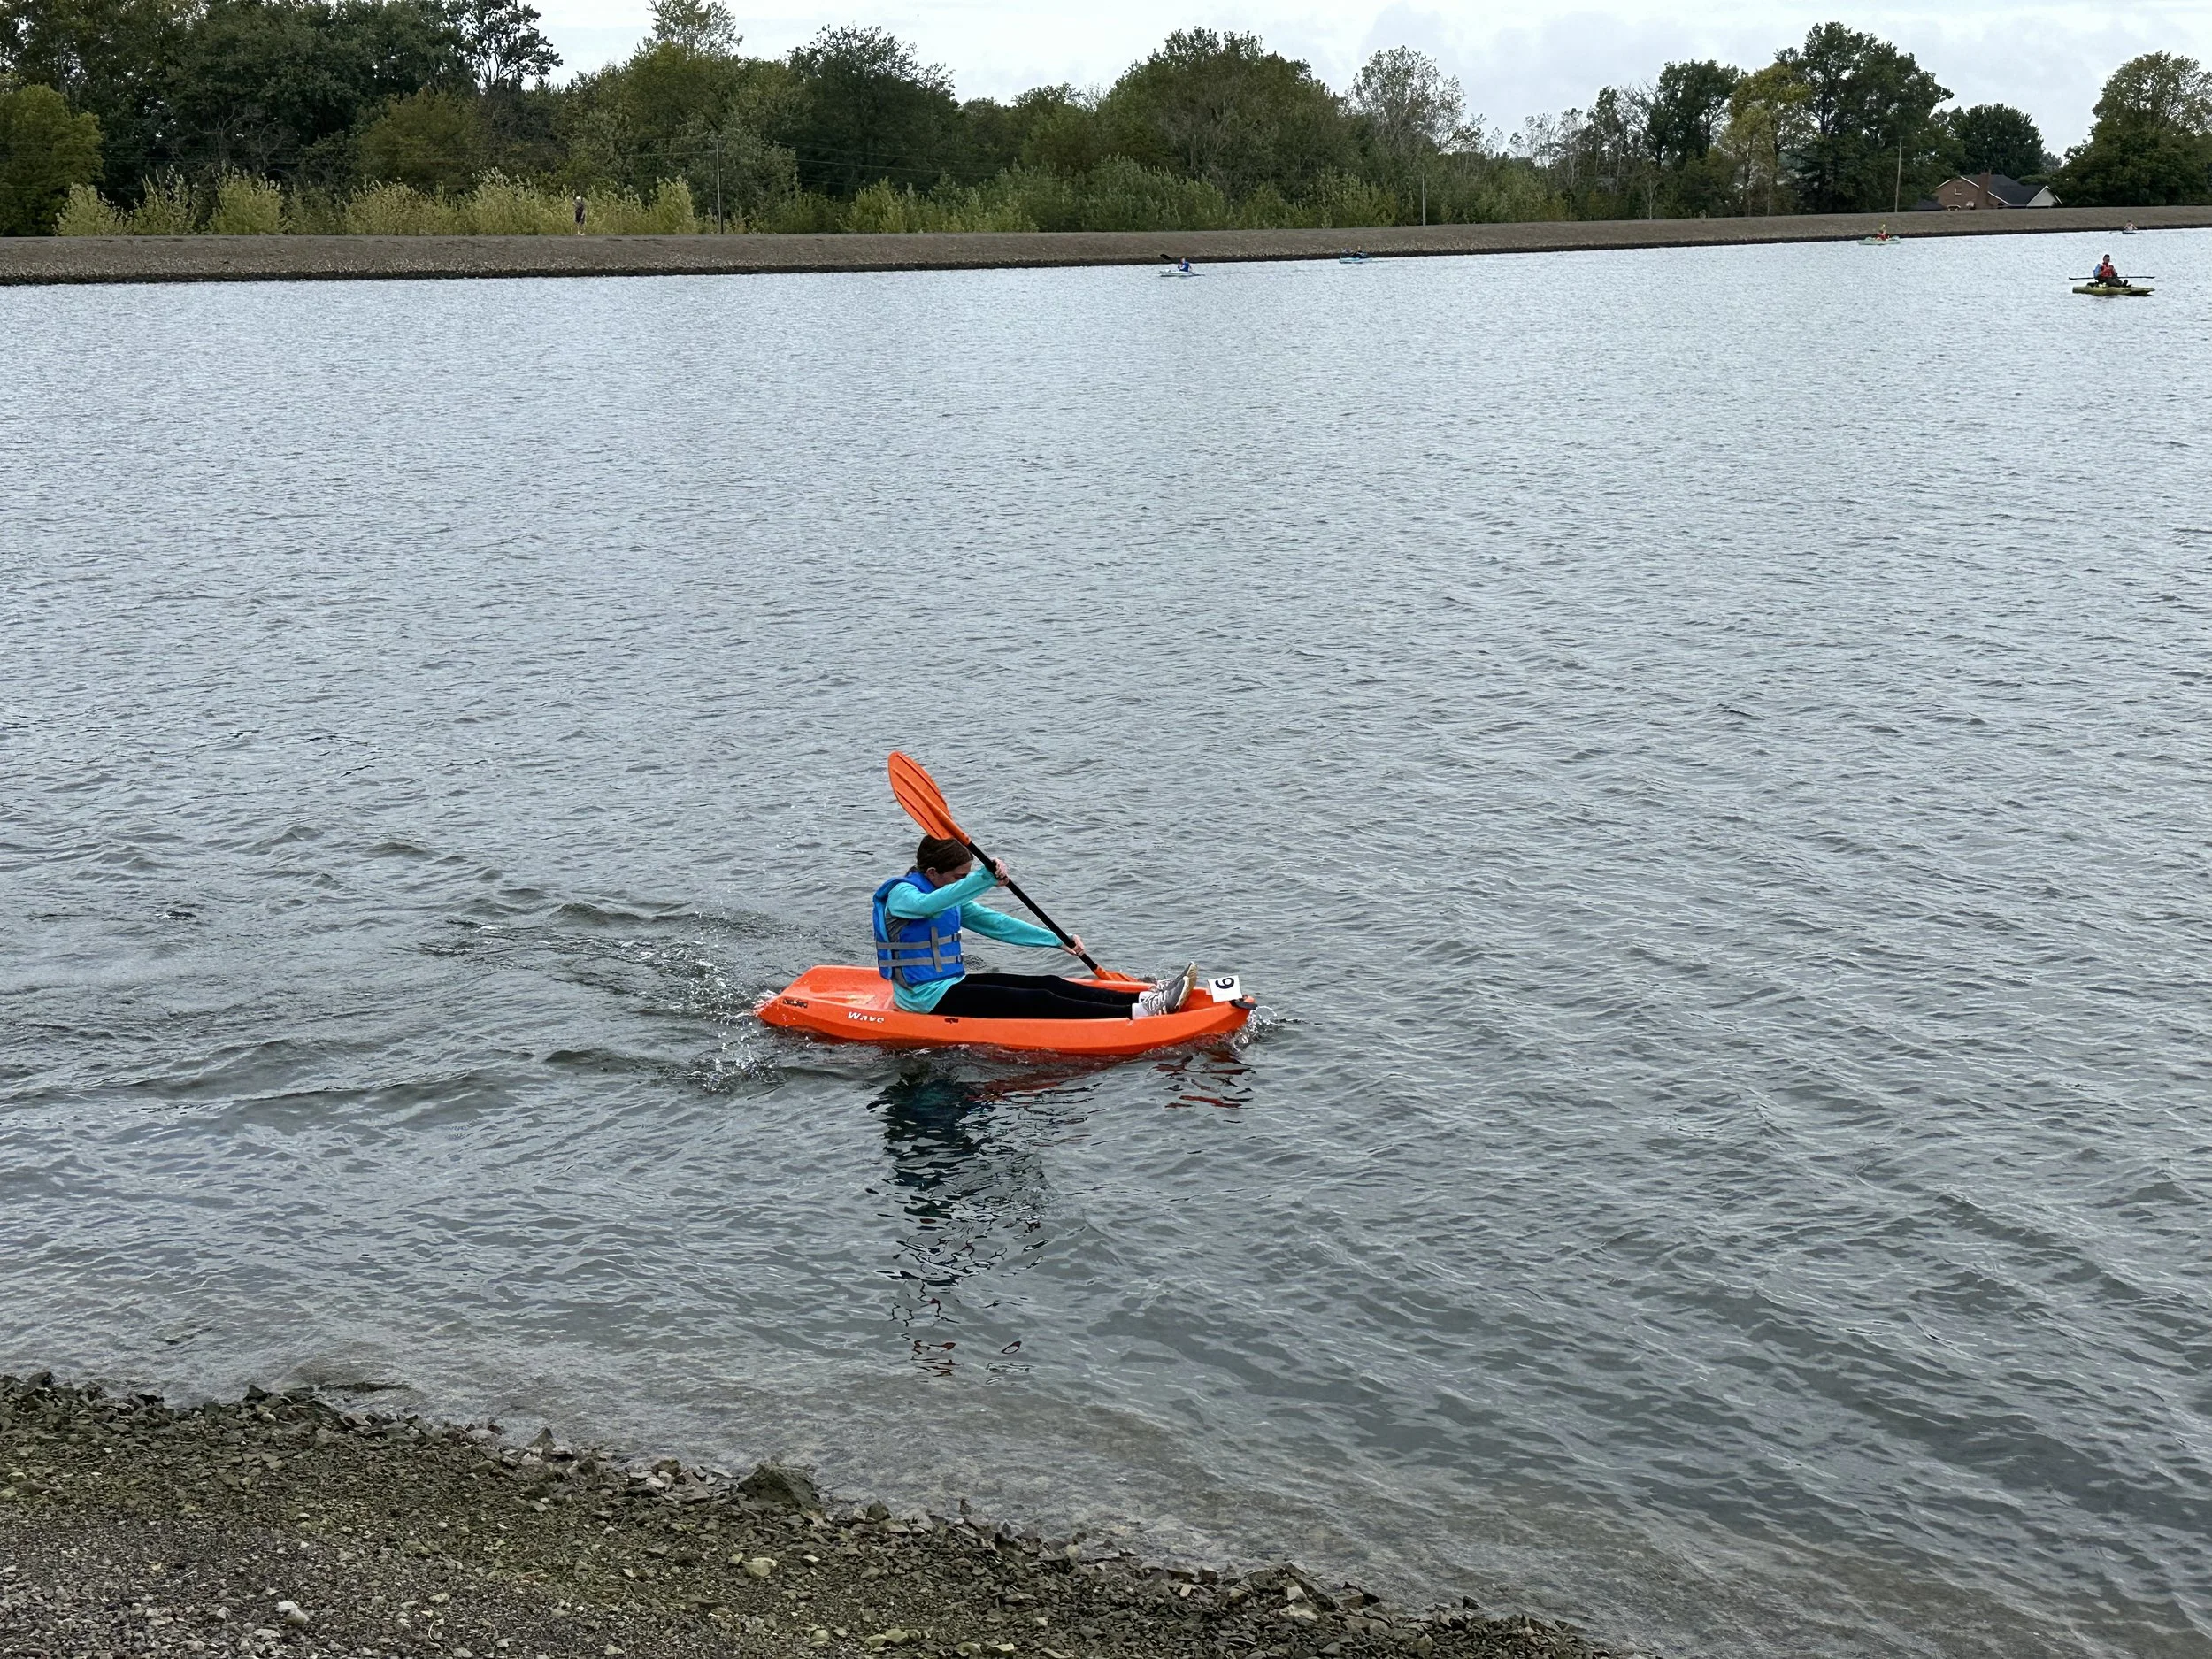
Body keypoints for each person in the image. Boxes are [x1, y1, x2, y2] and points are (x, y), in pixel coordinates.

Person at [873, 836, 1193, 1021]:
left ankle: (1148, 995)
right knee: (1038, 999)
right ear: (932, 872)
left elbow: (996, 924)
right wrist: (983, 878)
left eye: (966, 875)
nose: (963, 882)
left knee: (1050, 981)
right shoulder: (904, 896)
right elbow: (928, 906)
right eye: (959, 876)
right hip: (922, 999)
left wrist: (1055, 940)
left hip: (949, 983)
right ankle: (1137, 1013)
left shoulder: (946, 895)